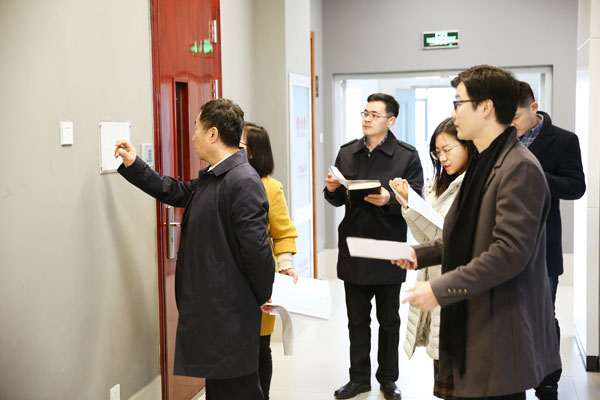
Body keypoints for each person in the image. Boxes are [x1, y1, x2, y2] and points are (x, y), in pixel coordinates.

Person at [394, 65, 561, 399]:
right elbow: (468, 236)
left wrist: (440, 289)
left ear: (485, 107)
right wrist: (419, 254)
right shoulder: (484, 162)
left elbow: (508, 254)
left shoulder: (519, 167)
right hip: (476, 319)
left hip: (501, 326)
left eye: (459, 103)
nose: (453, 112)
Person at [114, 99, 274, 400]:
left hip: (231, 316)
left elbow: (257, 251)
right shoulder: (216, 176)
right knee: (222, 391)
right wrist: (135, 164)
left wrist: (265, 295)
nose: (192, 136)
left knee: (238, 392)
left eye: (197, 128)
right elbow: (173, 190)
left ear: (213, 134)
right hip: (217, 316)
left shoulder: (242, 181)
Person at [325, 93, 424, 400]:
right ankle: (358, 379)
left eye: (374, 115)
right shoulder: (348, 153)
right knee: (356, 320)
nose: (367, 119)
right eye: (365, 113)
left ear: (391, 121)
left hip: (390, 248)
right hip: (354, 245)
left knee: (389, 320)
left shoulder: (406, 156)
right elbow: (338, 198)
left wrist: (390, 199)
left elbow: (416, 200)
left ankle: (388, 380)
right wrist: (331, 189)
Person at [512, 81, 586, 400]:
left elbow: (576, 187)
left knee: (542, 315)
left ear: (533, 107)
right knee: (510, 317)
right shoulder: (499, 139)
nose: (510, 123)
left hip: (543, 244)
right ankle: (513, 378)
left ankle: (547, 380)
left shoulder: (564, 140)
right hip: (504, 243)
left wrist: (537, 176)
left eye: (515, 116)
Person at [390, 118, 470, 400]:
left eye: (448, 150)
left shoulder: (472, 184)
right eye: (437, 152)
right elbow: (428, 238)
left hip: (456, 281)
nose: (442, 158)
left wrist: (412, 206)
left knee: (458, 366)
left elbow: (448, 237)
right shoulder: (439, 182)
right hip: (435, 276)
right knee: (443, 364)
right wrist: (409, 205)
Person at [240, 121, 299, 400]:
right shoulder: (223, 181)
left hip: (260, 278)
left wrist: (285, 264)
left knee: (260, 346)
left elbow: (282, 232)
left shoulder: (270, 187)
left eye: (239, 143)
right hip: (230, 281)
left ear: (252, 152)